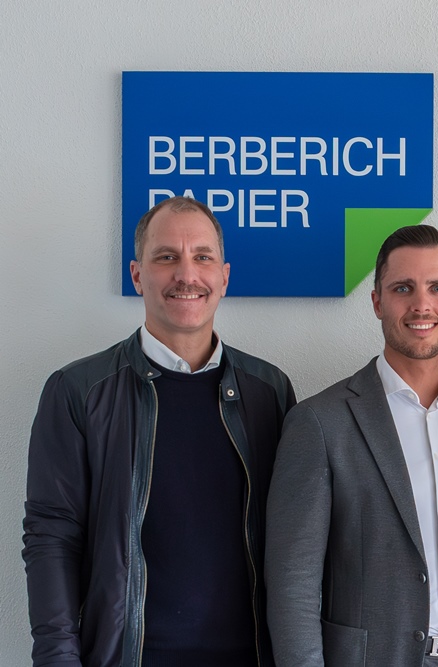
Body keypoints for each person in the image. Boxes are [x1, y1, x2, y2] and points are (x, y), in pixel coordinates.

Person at [22, 196, 296, 667]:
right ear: (137, 275)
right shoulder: (78, 390)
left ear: (224, 276)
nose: (187, 275)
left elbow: (297, 539)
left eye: (202, 257)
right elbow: (52, 538)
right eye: (166, 257)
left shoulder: (268, 390)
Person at [265, 224, 438, 667]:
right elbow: (293, 583)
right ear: (377, 302)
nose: (421, 305)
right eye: (403, 288)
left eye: (437, 288)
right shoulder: (320, 422)